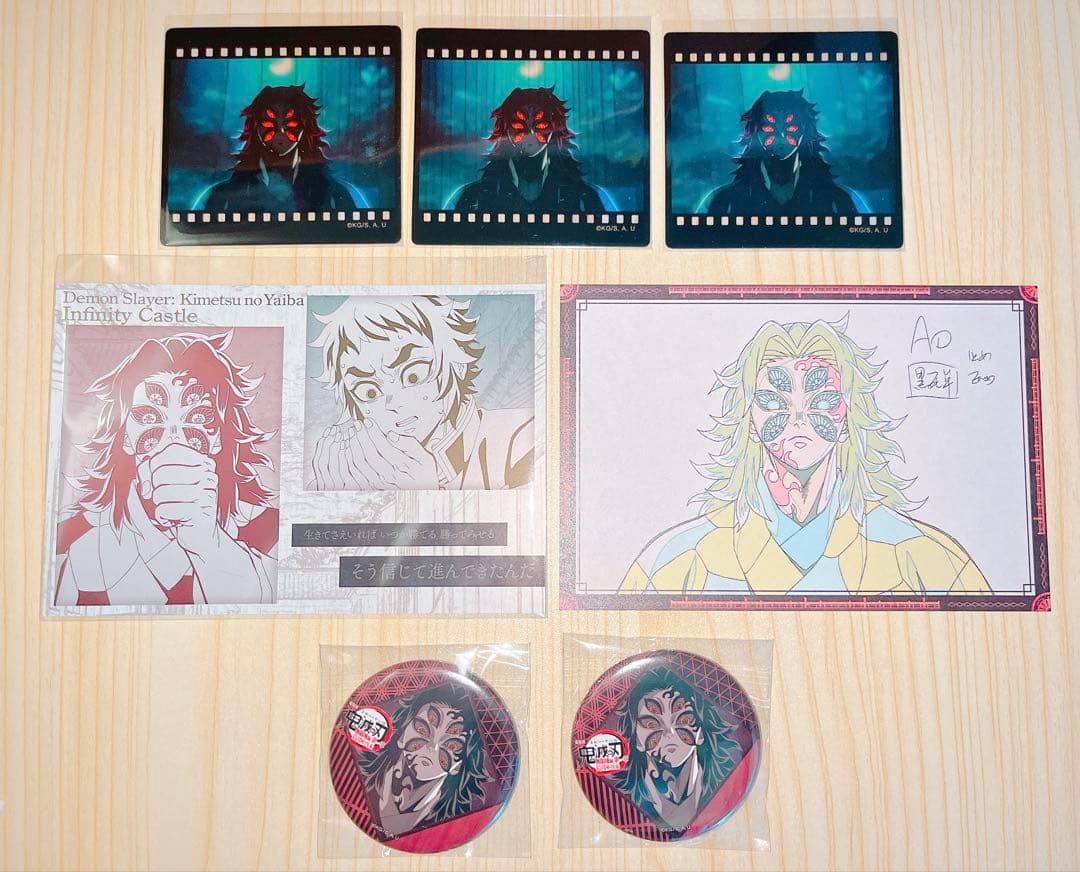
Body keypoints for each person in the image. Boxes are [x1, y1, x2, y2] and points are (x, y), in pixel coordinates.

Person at [621, 319, 990, 596]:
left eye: (822, 401)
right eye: (773, 401)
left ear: (848, 419)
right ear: (749, 422)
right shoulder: (678, 559)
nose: (798, 418)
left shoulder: (922, 556)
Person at [55, 331, 277, 606]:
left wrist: (211, 546)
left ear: (220, 436)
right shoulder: (74, 546)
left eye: (198, 417)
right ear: (125, 437)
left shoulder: (270, 530)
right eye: (148, 417)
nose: (174, 439)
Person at [310, 295, 533, 490]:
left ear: (457, 362)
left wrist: (423, 490)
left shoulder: (524, 438)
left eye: (413, 376)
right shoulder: (352, 470)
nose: (392, 403)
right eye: (369, 392)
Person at [612, 667, 741, 832]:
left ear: (701, 730)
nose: (669, 733)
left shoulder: (728, 784)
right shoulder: (621, 802)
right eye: (651, 723)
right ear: (636, 738)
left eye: (683, 719)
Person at [202, 84, 356, 214]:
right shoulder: (223, 195)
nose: (280, 133)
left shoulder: (334, 192)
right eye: (269, 124)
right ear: (255, 127)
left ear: (305, 128)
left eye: (291, 124)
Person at [361, 684, 490, 838]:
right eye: (422, 729)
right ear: (402, 734)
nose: (432, 747)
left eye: (451, 745)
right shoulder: (362, 786)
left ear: (459, 766)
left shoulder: (450, 824)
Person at [705, 89, 857, 217]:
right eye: (768, 128)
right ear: (755, 133)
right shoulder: (723, 201)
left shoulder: (839, 199)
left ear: (805, 132)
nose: (781, 137)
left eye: (791, 128)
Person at [452, 87, 604, 214]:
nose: (530, 133)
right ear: (505, 129)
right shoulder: (472, 197)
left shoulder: (585, 197)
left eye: (541, 125)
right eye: (519, 125)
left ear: (555, 129)